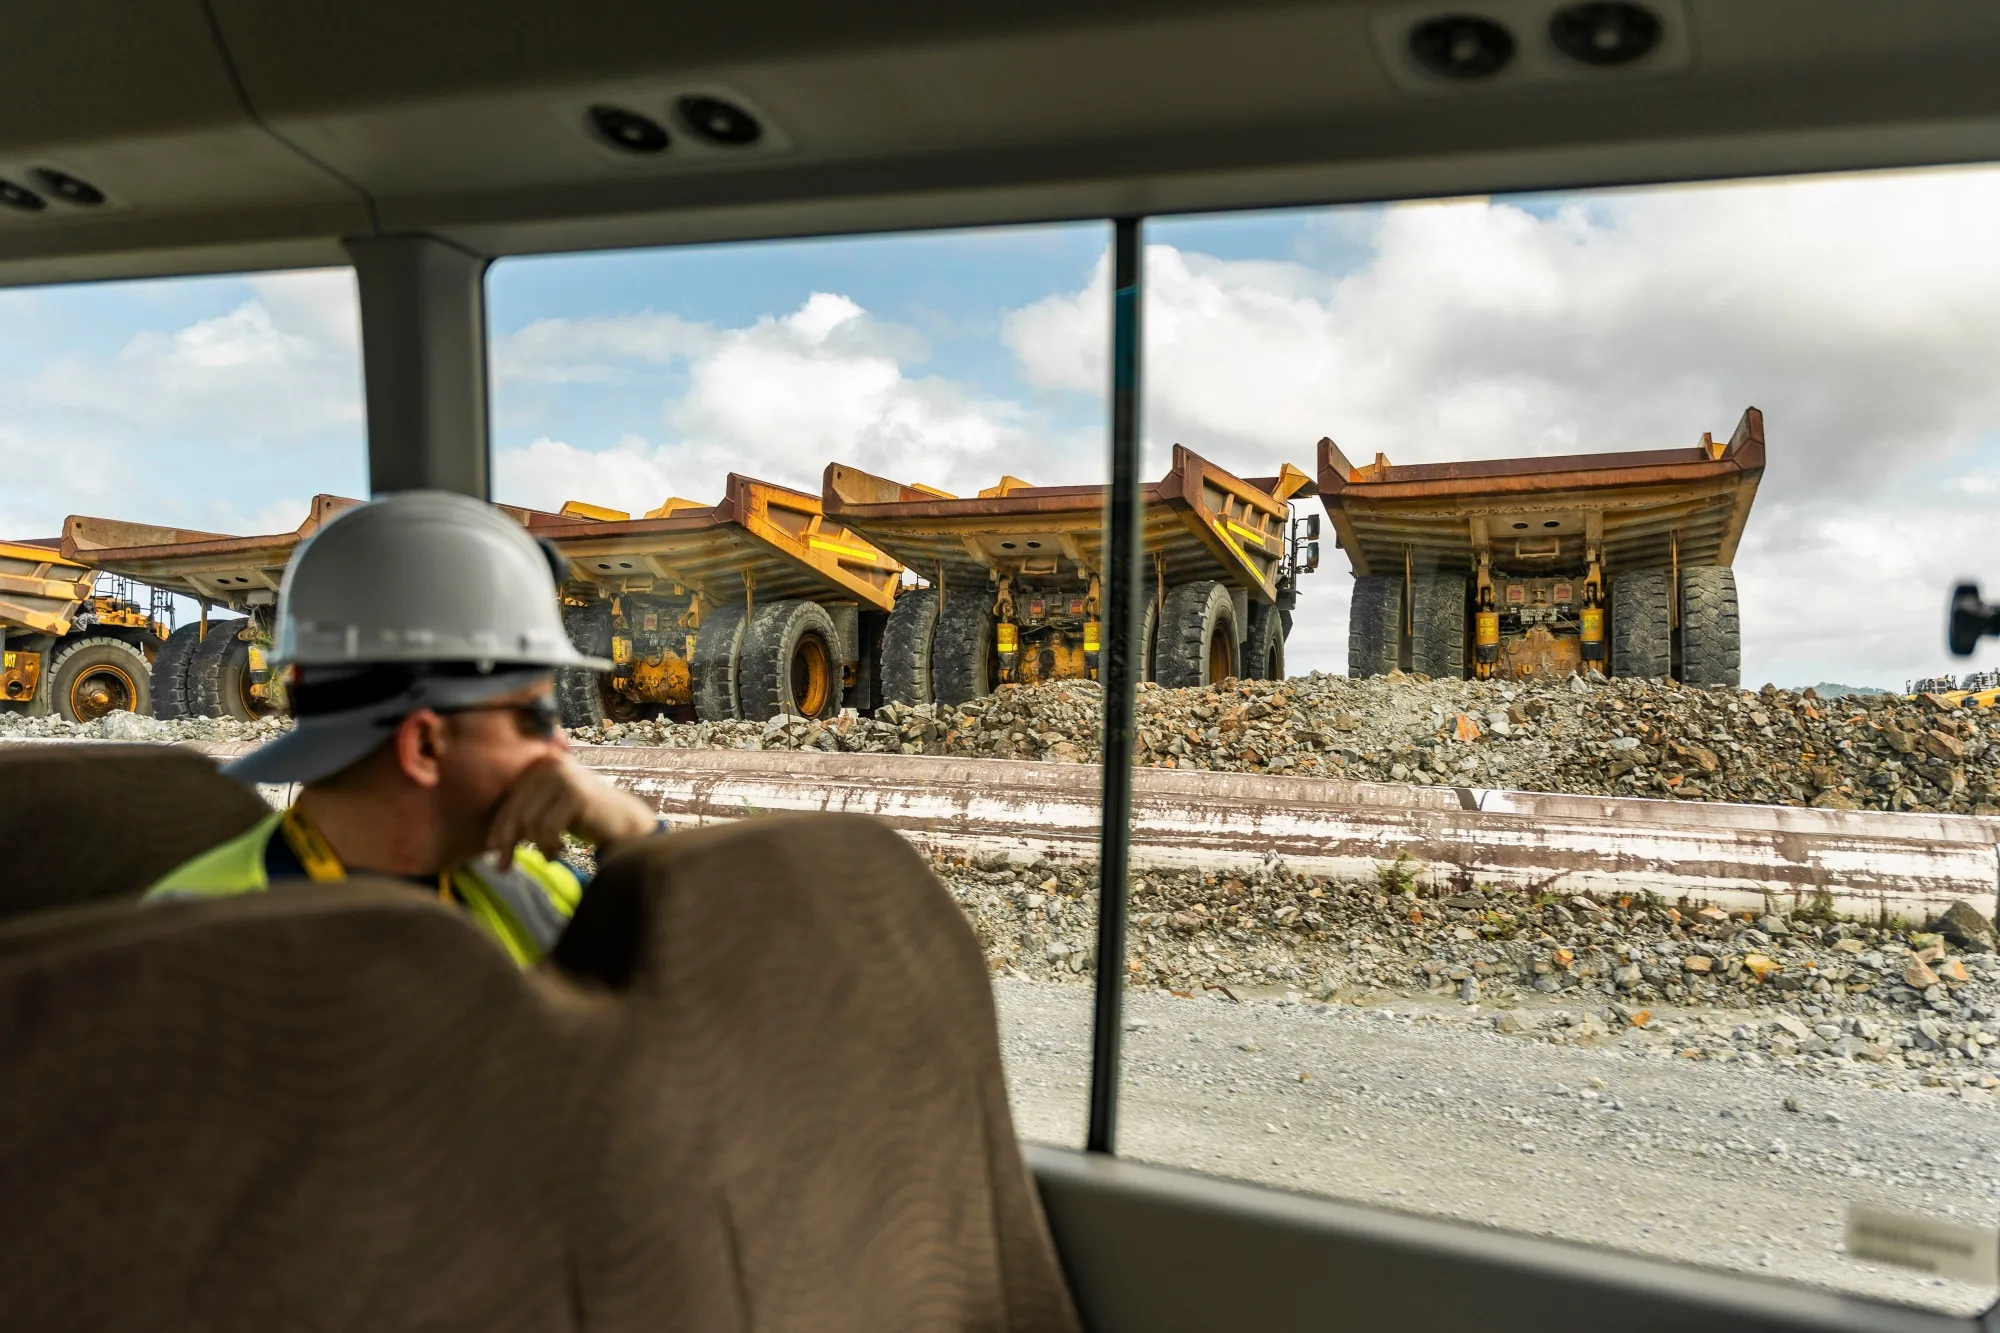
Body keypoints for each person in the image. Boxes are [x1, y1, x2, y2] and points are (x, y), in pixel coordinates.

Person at [143, 490, 660, 967]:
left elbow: (702, 1001)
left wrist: (635, 837)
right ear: (424, 746)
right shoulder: (193, 954)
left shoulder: (528, 891)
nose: (562, 747)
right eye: (536, 719)